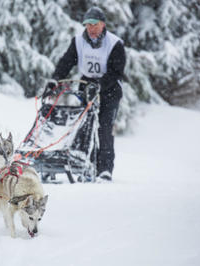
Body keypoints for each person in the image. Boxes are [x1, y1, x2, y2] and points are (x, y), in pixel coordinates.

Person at [45, 6, 126, 181]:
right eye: (88, 25)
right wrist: (55, 79)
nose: (91, 29)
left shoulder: (114, 43)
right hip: (86, 85)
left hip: (110, 89)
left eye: (95, 25)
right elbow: (66, 62)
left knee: (104, 128)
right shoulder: (78, 41)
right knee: (84, 125)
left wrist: (100, 85)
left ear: (103, 24)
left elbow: (116, 71)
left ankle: (104, 169)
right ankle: (83, 163)